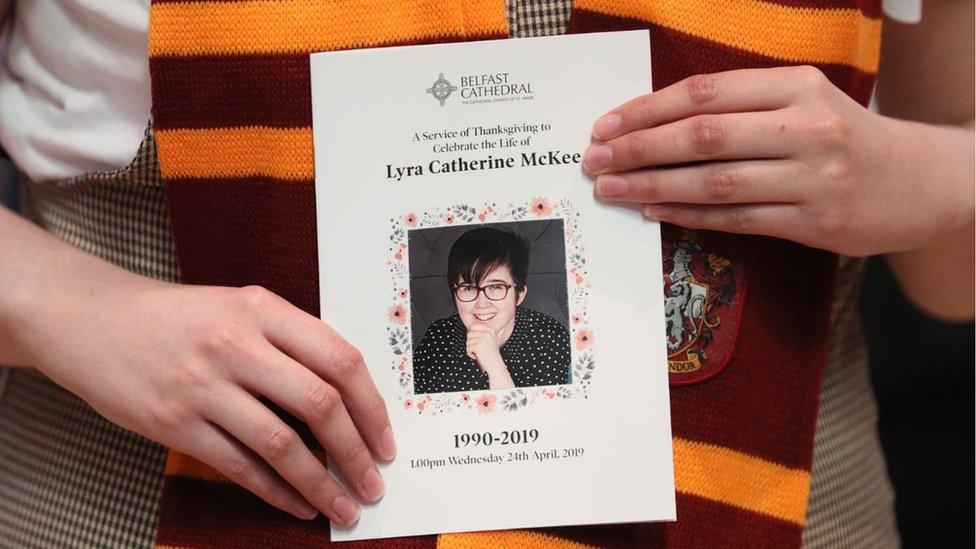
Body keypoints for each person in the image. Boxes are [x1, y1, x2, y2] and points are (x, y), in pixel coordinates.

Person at [0, 0, 971, 546]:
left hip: (782, 511)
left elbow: (951, 280)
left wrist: (929, 179)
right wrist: (62, 304)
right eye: (471, 288)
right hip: (136, 506)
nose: (482, 300)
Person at [412, 227, 571, 394]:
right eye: (468, 288)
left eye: (495, 287)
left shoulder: (550, 337)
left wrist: (495, 366)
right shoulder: (438, 336)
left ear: (520, 295)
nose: (481, 303)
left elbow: (544, 418)